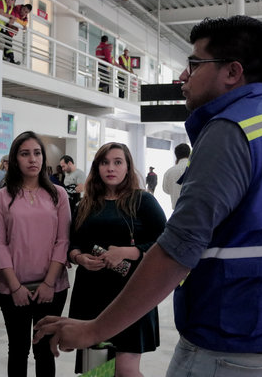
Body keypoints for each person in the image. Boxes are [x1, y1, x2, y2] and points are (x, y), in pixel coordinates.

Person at [34, 15, 262, 377]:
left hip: (230, 345)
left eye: (194, 64)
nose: (182, 77)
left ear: (232, 72)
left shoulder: (228, 133)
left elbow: (175, 250)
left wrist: (93, 330)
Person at [67, 142, 166, 376]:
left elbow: (167, 243)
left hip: (131, 293)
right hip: (92, 292)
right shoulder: (86, 204)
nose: (110, 167)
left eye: (117, 162)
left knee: (125, 370)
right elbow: (73, 244)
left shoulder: (143, 201)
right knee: (97, 370)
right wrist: (80, 258)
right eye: (105, 162)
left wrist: (129, 252)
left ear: (128, 167)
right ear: (97, 167)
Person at [0, 131, 71, 377]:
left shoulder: (59, 194)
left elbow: (62, 240)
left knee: (45, 349)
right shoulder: (3, 197)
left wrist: (48, 283)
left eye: (37, 153)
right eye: (25, 154)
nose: (32, 159)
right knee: (18, 349)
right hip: (13, 288)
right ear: (14, 159)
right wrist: (15, 287)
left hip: (52, 288)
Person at [162, 143, 191, 209]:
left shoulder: (169, 172)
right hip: (195, 211)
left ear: (176, 155)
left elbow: (166, 190)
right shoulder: (195, 168)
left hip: (177, 212)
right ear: (189, 153)